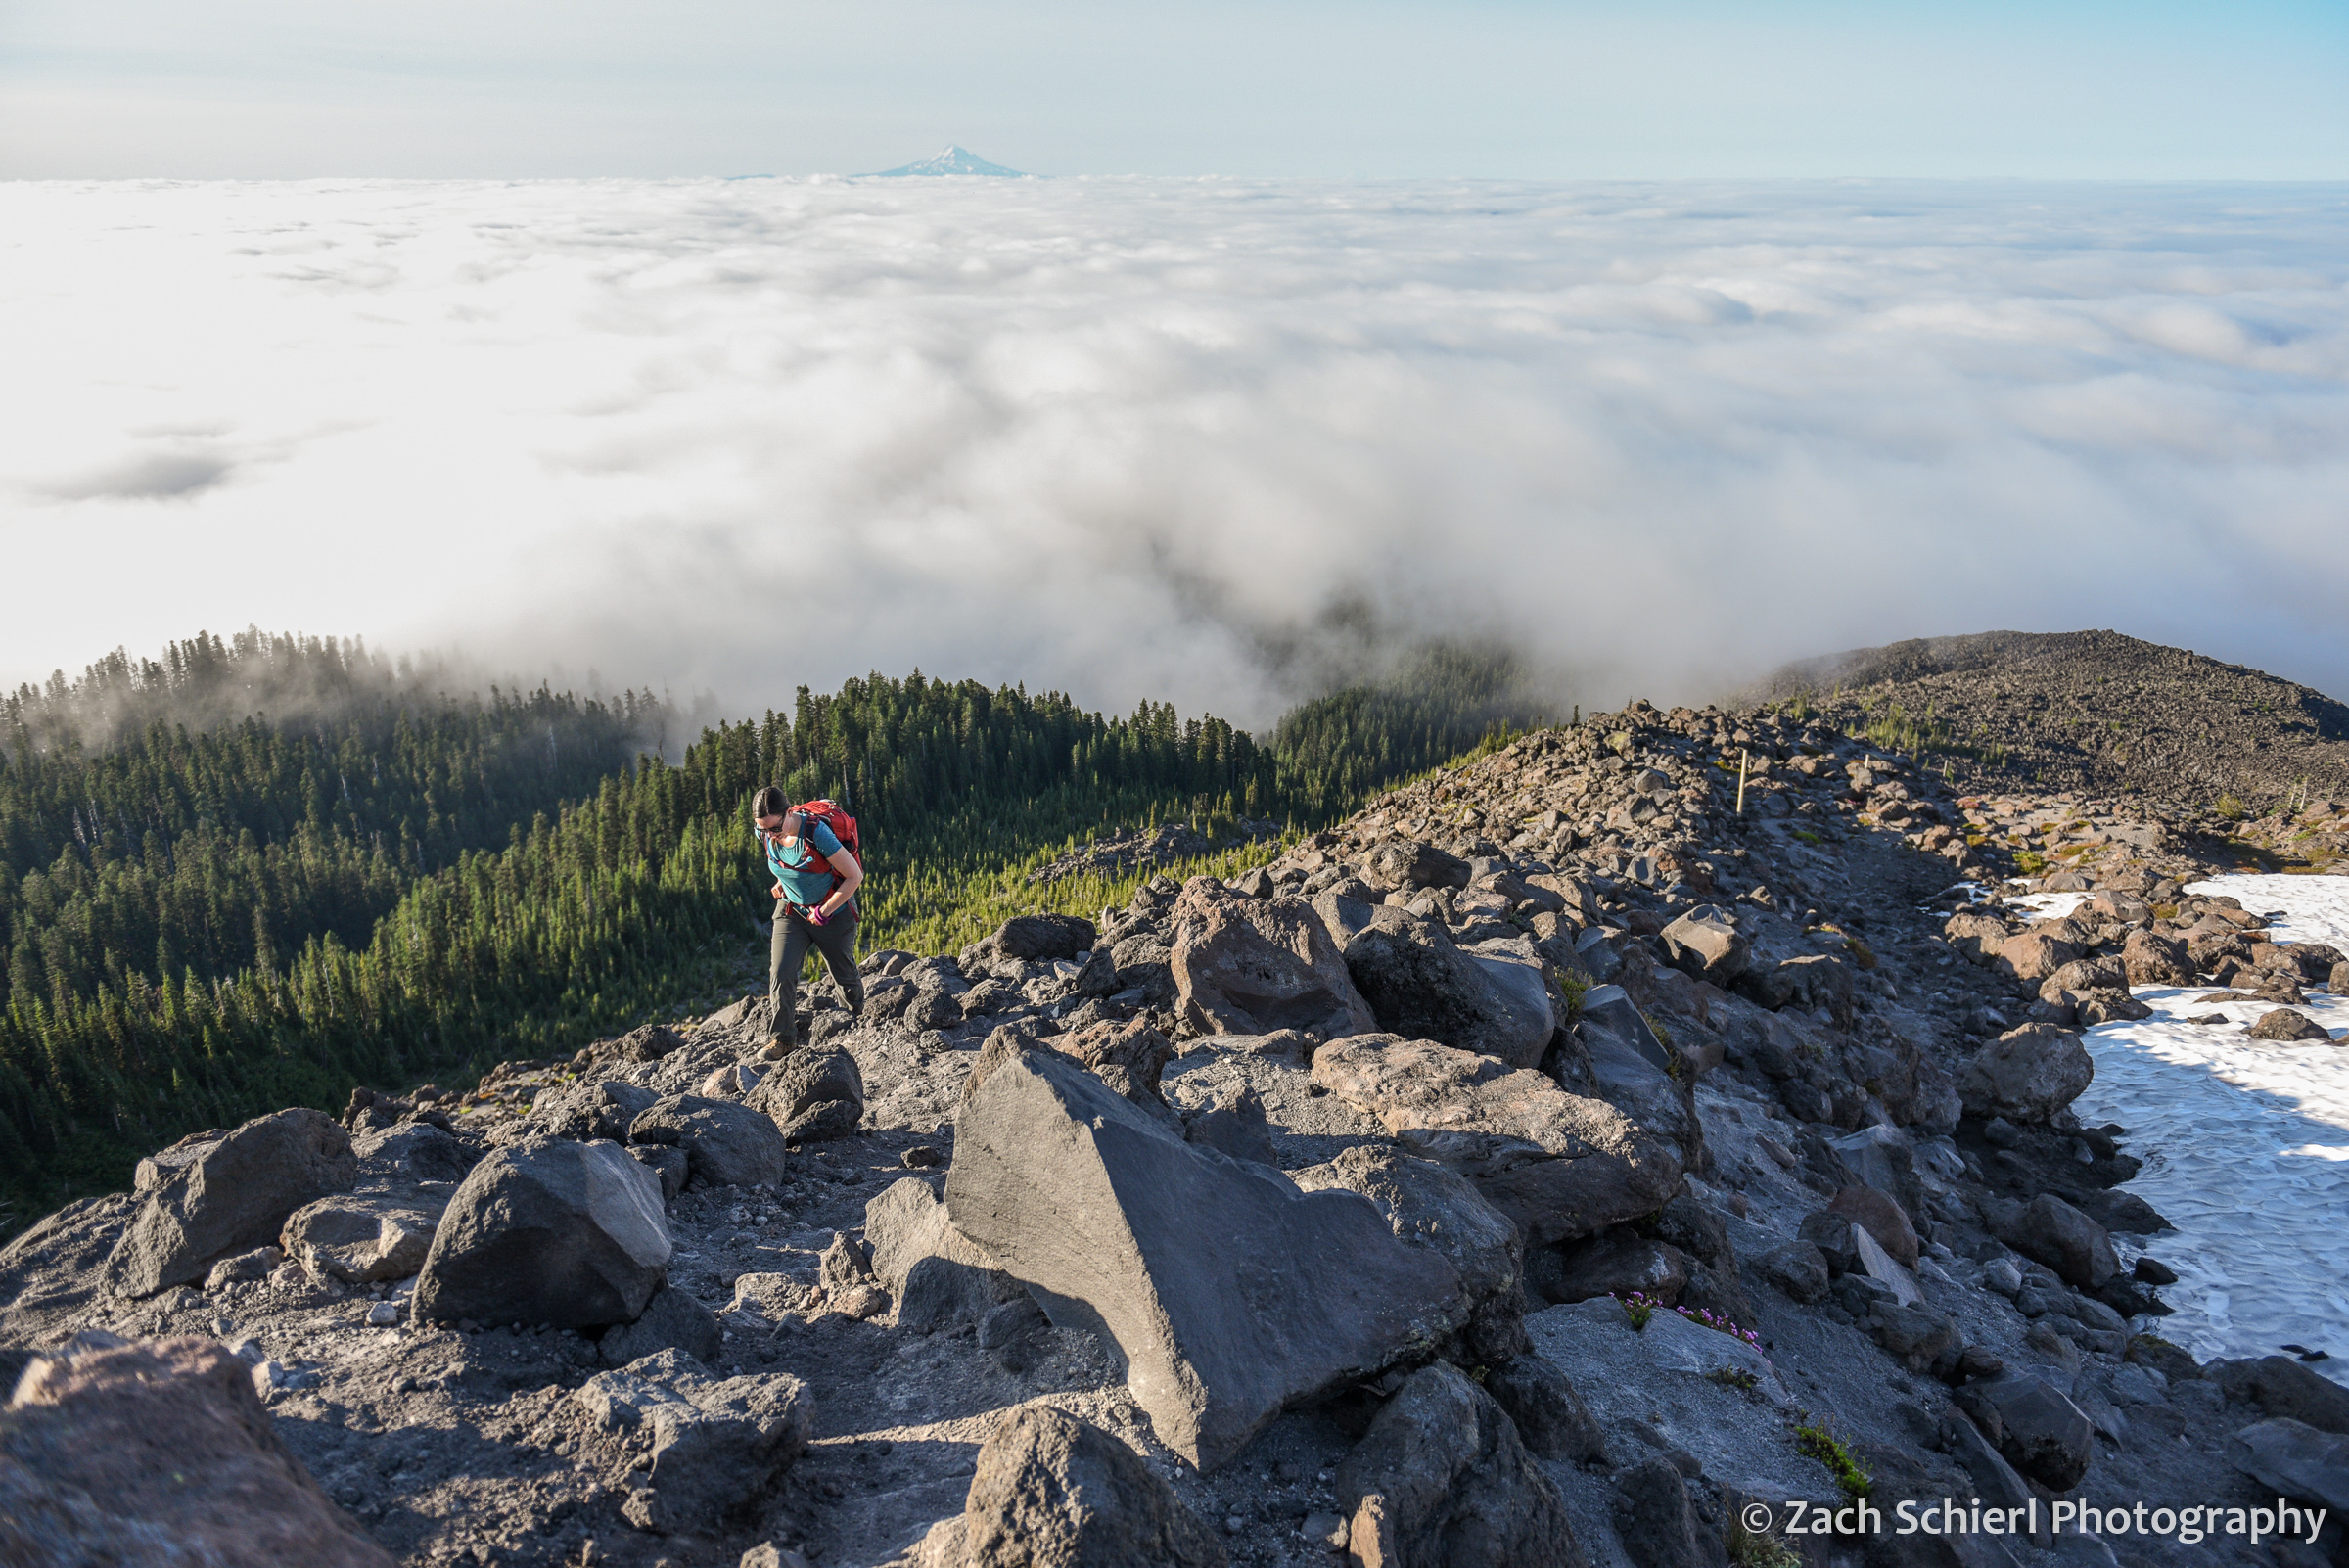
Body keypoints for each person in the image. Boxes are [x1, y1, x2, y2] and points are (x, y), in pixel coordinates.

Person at [752, 784, 864, 1056]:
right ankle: (783, 1040)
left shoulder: (817, 833)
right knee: (781, 972)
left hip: (832, 914)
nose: (769, 835)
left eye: (774, 829)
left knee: (844, 976)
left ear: (789, 813)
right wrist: (781, 881)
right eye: (763, 829)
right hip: (791, 911)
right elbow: (784, 861)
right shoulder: (766, 831)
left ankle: (857, 1024)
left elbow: (854, 877)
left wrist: (824, 911)